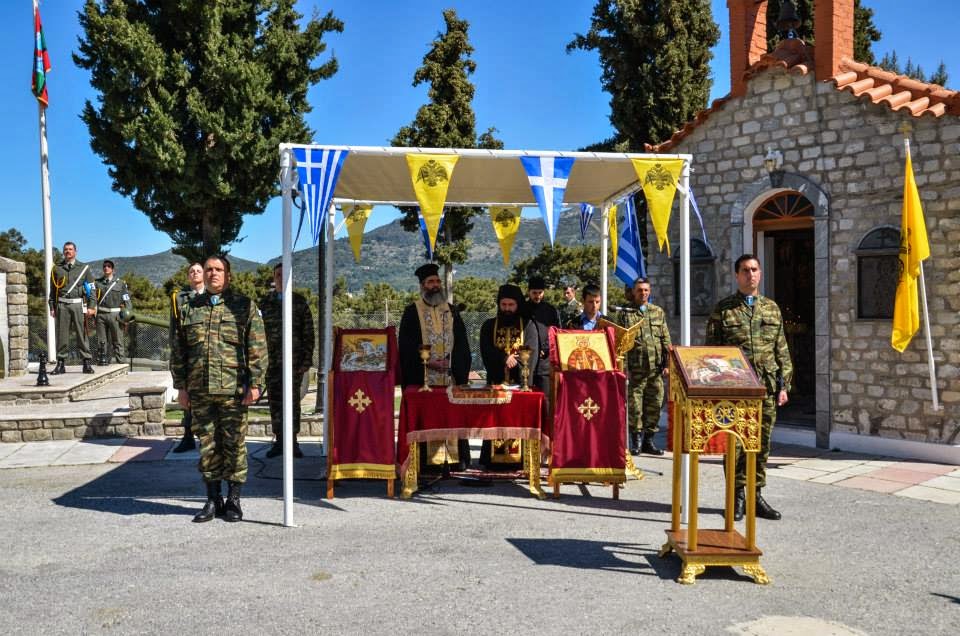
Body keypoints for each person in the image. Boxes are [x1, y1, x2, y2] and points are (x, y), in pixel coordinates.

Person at [171, 255, 267, 523]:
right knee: (208, 447)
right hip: (200, 391)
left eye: (219, 270)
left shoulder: (244, 307)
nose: (213, 274)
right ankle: (213, 500)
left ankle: (234, 500)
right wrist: (181, 387)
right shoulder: (190, 308)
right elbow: (179, 351)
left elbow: (258, 349)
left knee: (235, 445)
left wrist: (256, 385)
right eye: (209, 269)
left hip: (233, 391)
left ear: (228, 275)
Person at [705, 254, 792, 522]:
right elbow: (712, 354)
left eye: (754, 269)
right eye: (745, 270)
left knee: (761, 444)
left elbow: (782, 349)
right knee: (736, 445)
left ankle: (756, 494)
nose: (750, 274)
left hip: (765, 387)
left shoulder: (771, 309)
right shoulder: (724, 310)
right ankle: (736, 496)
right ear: (736, 275)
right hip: (735, 390)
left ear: (760, 274)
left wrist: (784, 384)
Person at [398, 263, 472, 470]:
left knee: (452, 415)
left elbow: (463, 345)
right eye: (431, 282)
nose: (436, 285)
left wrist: (453, 363)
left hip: (449, 377)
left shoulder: (452, 311)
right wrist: (428, 362)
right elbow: (405, 346)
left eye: (438, 281)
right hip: (423, 377)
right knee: (426, 417)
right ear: (422, 286)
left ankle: (455, 461)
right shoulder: (412, 312)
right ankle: (424, 463)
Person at [479, 284, 540, 469]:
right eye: (503, 304)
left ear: (517, 304)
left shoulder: (528, 325)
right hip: (497, 381)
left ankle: (520, 461)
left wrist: (517, 361)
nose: (507, 309)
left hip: (520, 385)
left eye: (510, 305)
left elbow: (532, 351)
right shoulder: (489, 325)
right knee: (494, 421)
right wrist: (503, 358)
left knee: (518, 420)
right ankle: (491, 460)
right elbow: (486, 349)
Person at [260, 263, 315, 459]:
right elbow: (257, 334)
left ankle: (292, 441)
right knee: (275, 402)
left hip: (294, 364)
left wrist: (305, 362)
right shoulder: (265, 303)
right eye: (278, 275)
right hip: (271, 363)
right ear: (273, 278)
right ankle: (279, 441)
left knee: (292, 402)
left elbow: (308, 334)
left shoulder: (299, 302)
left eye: (285, 275)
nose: (281, 278)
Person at [616, 278, 671, 456]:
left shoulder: (657, 312)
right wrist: (624, 367)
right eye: (639, 290)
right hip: (636, 368)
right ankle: (636, 441)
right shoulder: (626, 313)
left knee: (655, 403)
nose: (643, 293)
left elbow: (665, 339)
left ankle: (649, 440)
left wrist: (668, 363)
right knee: (635, 406)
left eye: (646, 290)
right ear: (633, 292)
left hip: (656, 368)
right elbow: (621, 342)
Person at [170, 263, 205, 454]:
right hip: (188, 356)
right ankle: (188, 436)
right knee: (187, 398)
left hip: (207, 357)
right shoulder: (179, 298)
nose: (195, 274)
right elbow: (174, 327)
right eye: (192, 271)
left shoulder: (211, 296)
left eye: (198, 271)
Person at [48, 241, 97, 374]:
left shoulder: (84, 269)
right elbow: (53, 290)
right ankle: (61, 363)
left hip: (78, 305)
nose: (68, 251)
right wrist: (52, 306)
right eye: (66, 249)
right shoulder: (56, 268)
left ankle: (86, 362)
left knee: (82, 334)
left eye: (70, 249)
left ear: (75, 252)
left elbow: (92, 289)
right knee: (62, 335)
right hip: (62, 305)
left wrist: (92, 306)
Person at [522, 275, 559, 392]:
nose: (537, 296)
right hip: (526, 360)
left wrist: (546, 348)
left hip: (545, 363)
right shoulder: (522, 309)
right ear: (529, 292)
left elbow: (556, 331)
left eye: (540, 292)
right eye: (534, 293)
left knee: (546, 397)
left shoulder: (551, 310)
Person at [94, 260, 132, 365]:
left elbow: (127, 300)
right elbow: (92, 299)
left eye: (109, 266)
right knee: (101, 341)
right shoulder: (97, 283)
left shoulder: (121, 283)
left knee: (118, 340)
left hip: (115, 315)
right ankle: (103, 361)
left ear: (113, 270)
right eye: (104, 266)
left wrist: (126, 318)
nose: (106, 268)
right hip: (101, 314)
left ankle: (121, 363)